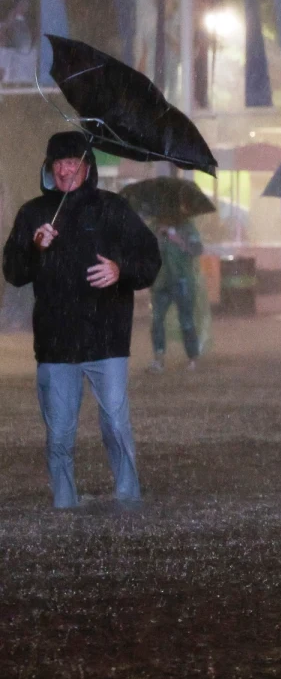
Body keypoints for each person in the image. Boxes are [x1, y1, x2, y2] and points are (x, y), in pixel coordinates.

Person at [2, 132, 161, 509]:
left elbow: (150, 259)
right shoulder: (33, 214)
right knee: (59, 434)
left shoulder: (113, 209)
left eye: (73, 162)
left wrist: (121, 270)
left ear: (87, 167)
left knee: (116, 426)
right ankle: (64, 505)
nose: (65, 170)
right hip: (56, 345)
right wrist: (34, 248)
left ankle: (127, 498)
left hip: (106, 340)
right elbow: (13, 271)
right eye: (58, 164)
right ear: (48, 169)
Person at [148, 221, 204, 372]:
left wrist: (177, 239)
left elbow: (197, 249)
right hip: (161, 281)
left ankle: (193, 358)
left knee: (186, 321)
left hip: (182, 280)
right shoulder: (155, 227)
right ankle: (158, 359)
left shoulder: (187, 226)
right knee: (157, 320)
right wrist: (157, 239)